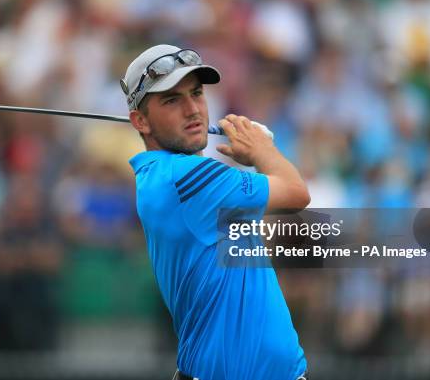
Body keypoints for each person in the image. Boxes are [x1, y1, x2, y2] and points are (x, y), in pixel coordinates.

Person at [121, 44, 311, 380]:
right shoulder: (187, 178)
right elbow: (296, 192)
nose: (193, 110)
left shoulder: (162, 174)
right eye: (171, 100)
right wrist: (261, 150)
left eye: (196, 93)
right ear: (140, 121)